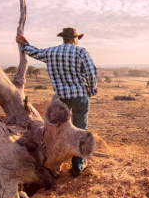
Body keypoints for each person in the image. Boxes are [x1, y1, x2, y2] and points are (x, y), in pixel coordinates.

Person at [15, 27, 98, 176]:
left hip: (62, 100)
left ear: (63, 39)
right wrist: (91, 90)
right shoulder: (81, 52)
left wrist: (25, 43)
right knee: (80, 128)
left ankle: (55, 159)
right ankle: (78, 166)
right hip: (80, 97)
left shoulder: (51, 52)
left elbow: (34, 52)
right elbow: (92, 72)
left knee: (61, 130)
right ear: (74, 39)